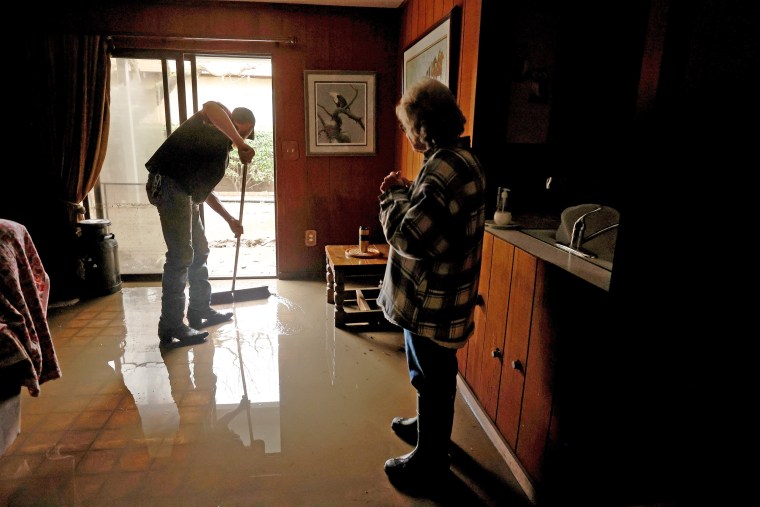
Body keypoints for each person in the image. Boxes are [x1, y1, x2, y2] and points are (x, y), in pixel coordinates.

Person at [377, 78, 486, 489]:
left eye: (408, 126)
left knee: (431, 375)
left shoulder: (440, 168)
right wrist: (412, 191)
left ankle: (429, 460)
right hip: (448, 294)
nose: (406, 134)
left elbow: (410, 238)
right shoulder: (462, 158)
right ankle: (430, 430)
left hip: (430, 301)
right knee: (436, 373)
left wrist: (391, 197)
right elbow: (439, 218)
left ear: (424, 126)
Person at [145, 101, 255, 348]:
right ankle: (171, 324)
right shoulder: (213, 119)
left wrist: (230, 220)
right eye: (241, 132)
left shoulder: (219, 152)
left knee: (200, 250)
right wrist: (240, 142)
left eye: (244, 134)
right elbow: (210, 106)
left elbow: (203, 193)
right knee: (181, 255)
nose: (240, 138)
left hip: (184, 192)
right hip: (169, 184)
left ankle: (199, 310)